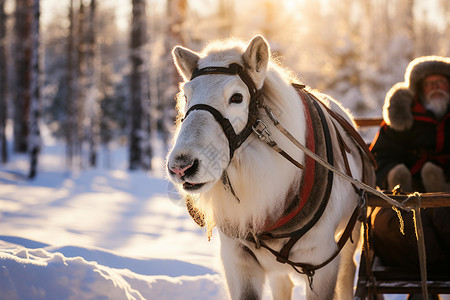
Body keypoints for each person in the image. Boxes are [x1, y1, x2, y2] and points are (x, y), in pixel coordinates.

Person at [369, 56, 450, 273]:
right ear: (419, 89)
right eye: (430, 84)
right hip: (405, 195)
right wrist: (395, 173)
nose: (436, 88)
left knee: (443, 217)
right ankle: (425, 278)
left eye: (440, 83)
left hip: (447, 193)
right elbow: (380, 156)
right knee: (398, 225)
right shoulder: (402, 118)